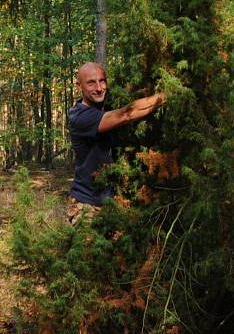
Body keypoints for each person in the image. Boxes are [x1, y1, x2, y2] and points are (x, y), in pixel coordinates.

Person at [67, 62, 165, 224]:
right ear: (79, 86)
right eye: (91, 83)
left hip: (114, 201)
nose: (99, 88)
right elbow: (126, 114)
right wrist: (165, 95)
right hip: (87, 205)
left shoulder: (106, 106)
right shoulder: (80, 117)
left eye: (102, 81)